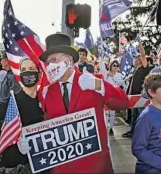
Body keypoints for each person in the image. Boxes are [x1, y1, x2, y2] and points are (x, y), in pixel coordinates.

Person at [20, 33, 129, 173]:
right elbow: (47, 127)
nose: (50, 65)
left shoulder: (94, 81)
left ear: (68, 59)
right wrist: (31, 142)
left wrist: (99, 85)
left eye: (54, 59)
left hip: (95, 166)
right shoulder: (46, 92)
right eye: (48, 62)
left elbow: (123, 103)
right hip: (62, 168)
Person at [0, 56, 47, 174]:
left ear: (40, 74)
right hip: (16, 164)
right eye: (23, 70)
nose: (27, 72)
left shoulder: (45, 100)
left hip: (42, 163)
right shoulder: (13, 100)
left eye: (31, 68)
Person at [122, 37, 151, 138]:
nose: (134, 60)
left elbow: (143, 55)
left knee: (140, 115)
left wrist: (139, 42)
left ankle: (141, 133)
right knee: (134, 115)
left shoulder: (144, 68)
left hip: (141, 95)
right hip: (134, 95)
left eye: (136, 58)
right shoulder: (136, 70)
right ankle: (133, 131)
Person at [98, 58, 125, 135]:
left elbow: (121, 83)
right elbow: (102, 71)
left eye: (117, 66)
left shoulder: (119, 75)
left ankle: (111, 128)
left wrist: (113, 76)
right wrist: (107, 74)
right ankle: (106, 127)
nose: (116, 67)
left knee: (112, 113)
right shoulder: (106, 73)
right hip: (106, 96)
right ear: (111, 66)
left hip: (114, 96)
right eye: (114, 65)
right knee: (106, 113)